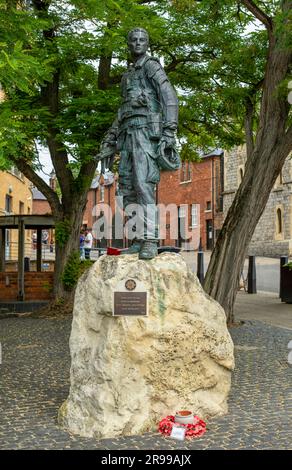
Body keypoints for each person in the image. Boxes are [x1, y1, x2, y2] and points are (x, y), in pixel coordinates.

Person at [99, 28, 179, 260]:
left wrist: (170, 131)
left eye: (142, 40)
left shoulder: (151, 66)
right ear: (128, 44)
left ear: (147, 44)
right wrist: (110, 137)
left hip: (145, 133)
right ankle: (137, 239)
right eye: (133, 40)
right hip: (126, 136)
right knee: (127, 189)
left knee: (144, 185)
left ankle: (150, 240)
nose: (137, 43)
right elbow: (123, 110)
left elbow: (169, 97)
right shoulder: (127, 76)